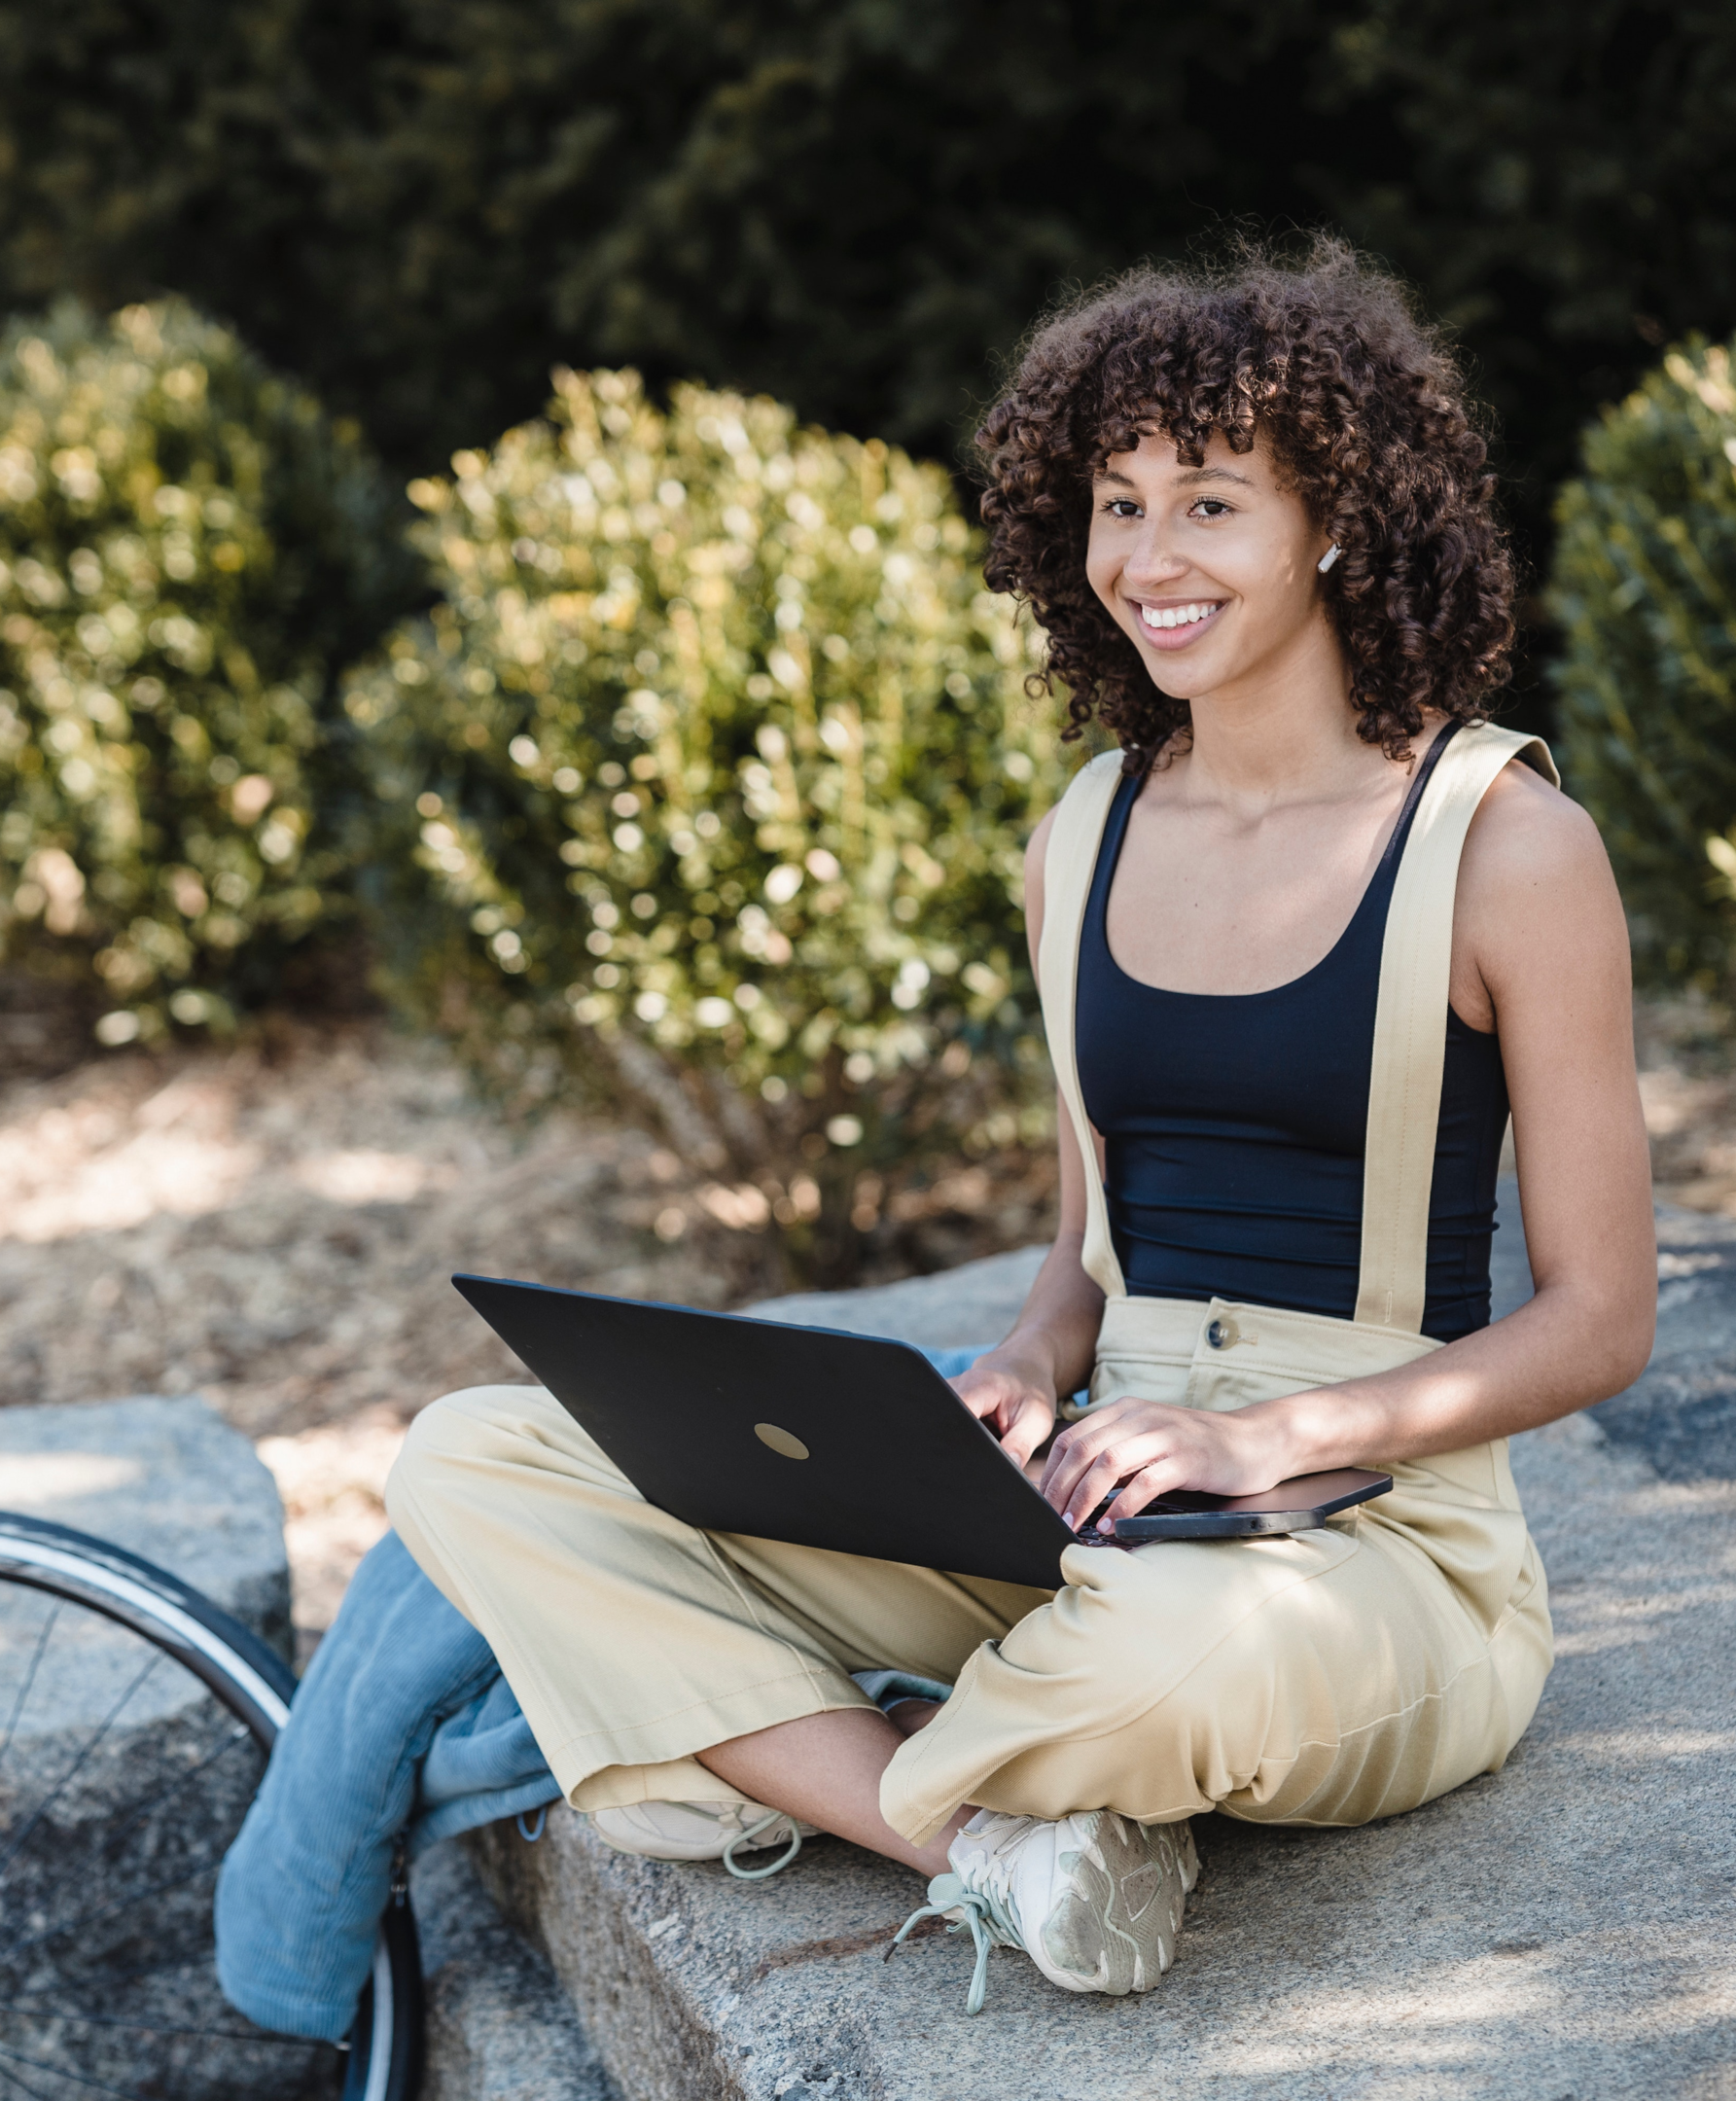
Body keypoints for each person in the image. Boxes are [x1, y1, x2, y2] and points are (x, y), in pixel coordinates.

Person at [381, 243, 1658, 2011]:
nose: (1149, 558)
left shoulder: (1507, 845)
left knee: (1163, 1654)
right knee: (472, 1453)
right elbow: (1086, 1245)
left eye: (1211, 501)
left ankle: (757, 1746)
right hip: (1078, 1502)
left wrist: (1264, 1439)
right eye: (1116, 502)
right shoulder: (1085, 834)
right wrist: (1017, 1371)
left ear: (1338, 524)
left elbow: (1603, 1318)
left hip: (1367, 1553)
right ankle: (986, 1837)